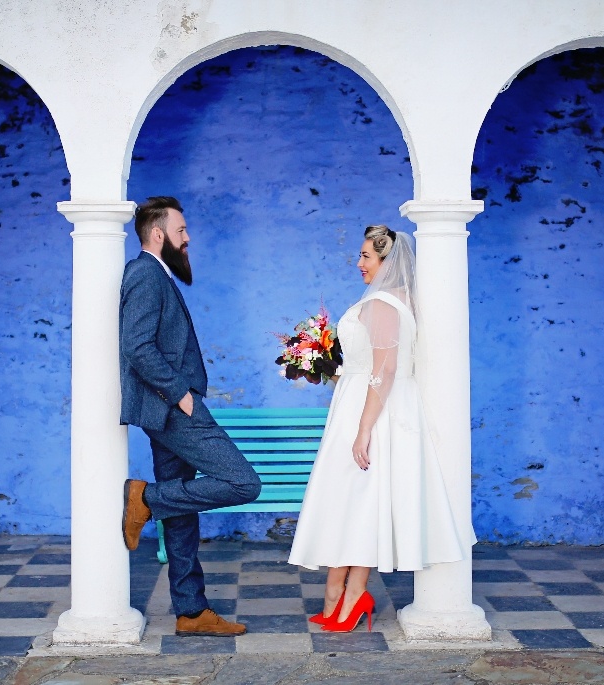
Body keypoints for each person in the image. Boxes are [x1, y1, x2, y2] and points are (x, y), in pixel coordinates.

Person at [287, 225, 474, 632]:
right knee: (356, 505)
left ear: (387, 262)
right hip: (364, 401)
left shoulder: (383, 304)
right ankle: (343, 593)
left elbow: (384, 370)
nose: (359, 263)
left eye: (366, 257)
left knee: (354, 503)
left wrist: (363, 429)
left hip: (371, 410)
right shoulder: (395, 301)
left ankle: (349, 596)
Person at [119, 196, 261, 637]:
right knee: (244, 482)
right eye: (181, 231)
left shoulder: (156, 274)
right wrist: (180, 394)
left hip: (167, 410)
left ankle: (191, 611)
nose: (188, 238)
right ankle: (147, 499)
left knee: (182, 518)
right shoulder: (144, 273)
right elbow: (137, 344)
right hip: (172, 407)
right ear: (158, 234)